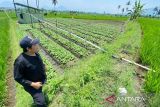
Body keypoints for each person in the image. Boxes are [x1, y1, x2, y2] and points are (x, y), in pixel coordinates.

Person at [14, 36, 47, 107]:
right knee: (41, 103)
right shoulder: (20, 62)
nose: (37, 45)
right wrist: (33, 84)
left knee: (41, 94)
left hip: (39, 80)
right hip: (32, 86)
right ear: (28, 49)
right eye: (34, 45)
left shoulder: (36, 53)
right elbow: (18, 78)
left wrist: (43, 67)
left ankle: (40, 93)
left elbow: (38, 63)